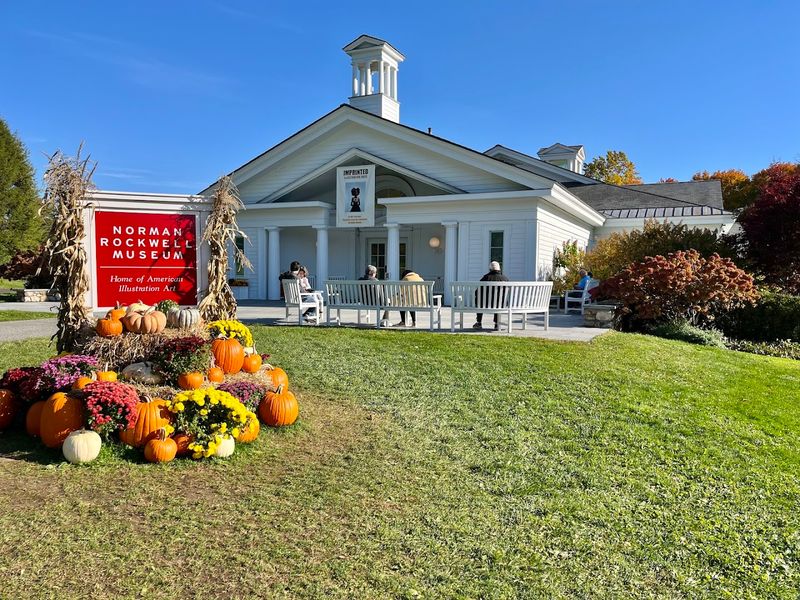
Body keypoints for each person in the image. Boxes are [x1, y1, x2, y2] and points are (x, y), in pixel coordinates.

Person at [473, 261, 509, 331]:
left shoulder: (485, 278)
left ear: (490, 269)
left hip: (484, 304)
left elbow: (477, 292)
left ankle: (479, 322)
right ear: (499, 269)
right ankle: (497, 324)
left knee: (479, 299)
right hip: (500, 305)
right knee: (499, 301)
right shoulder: (505, 279)